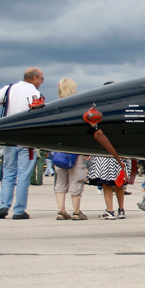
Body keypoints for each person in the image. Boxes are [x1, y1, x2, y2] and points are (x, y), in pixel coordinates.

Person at [0, 68, 45, 219]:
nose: (42, 82)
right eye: (41, 79)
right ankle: (19, 210)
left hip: (9, 137)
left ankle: (4, 205)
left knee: (8, 172)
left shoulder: (9, 88)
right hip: (26, 138)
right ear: (35, 78)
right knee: (24, 175)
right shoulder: (35, 93)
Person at [52, 78, 88, 220]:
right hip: (75, 148)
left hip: (59, 149)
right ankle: (76, 211)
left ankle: (61, 210)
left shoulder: (54, 108)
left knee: (60, 181)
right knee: (76, 180)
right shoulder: (78, 108)